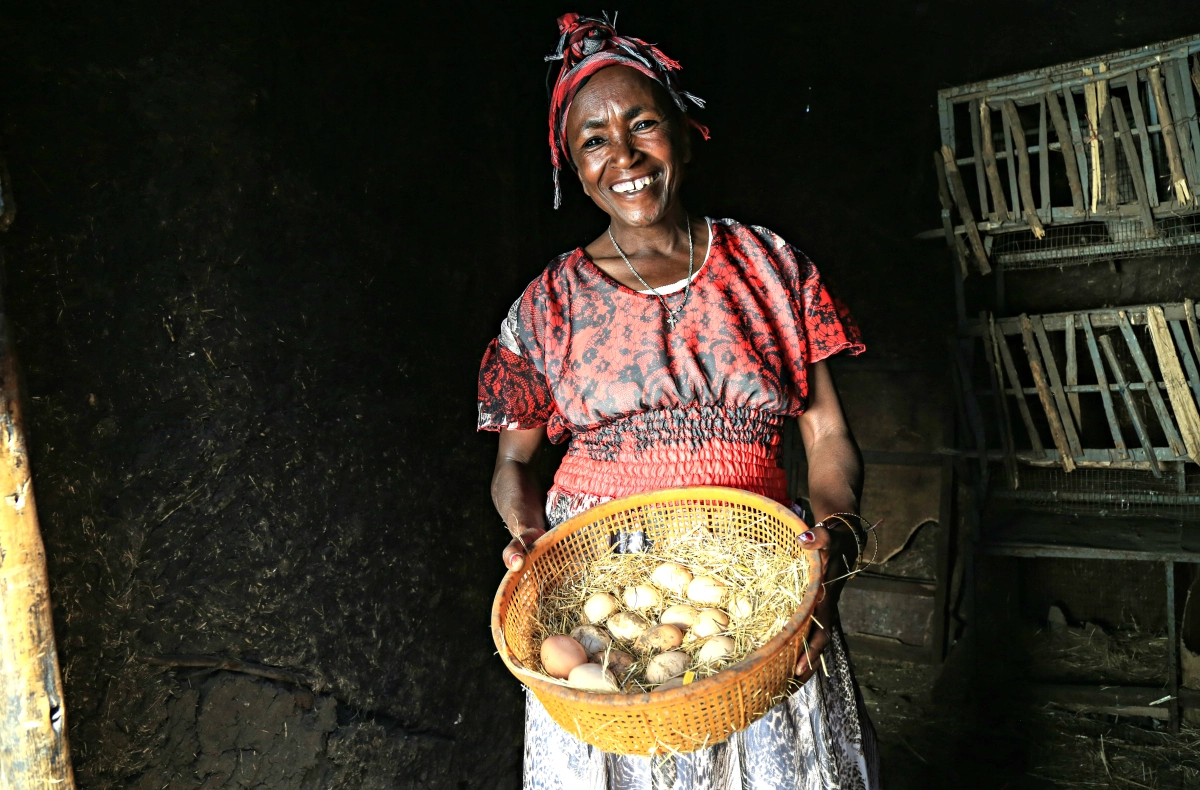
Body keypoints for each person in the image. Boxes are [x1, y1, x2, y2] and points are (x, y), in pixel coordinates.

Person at [478, 13, 880, 789]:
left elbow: (827, 438)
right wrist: (530, 538)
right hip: (608, 586)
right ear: (574, 163)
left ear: (685, 136)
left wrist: (829, 559)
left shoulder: (769, 267)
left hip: (754, 583)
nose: (623, 156)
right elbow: (513, 461)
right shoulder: (548, 304)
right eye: (594, 139)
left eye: (643, 124)